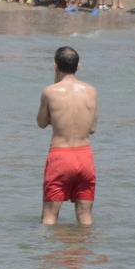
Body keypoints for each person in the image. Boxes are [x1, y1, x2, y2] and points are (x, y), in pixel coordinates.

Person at [37, 46, 98, 226]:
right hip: (85, 156)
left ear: (55, 66)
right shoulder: (91, 91)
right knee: (85, 216)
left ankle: (47, 252)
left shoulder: (50, 91)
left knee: (49, 217)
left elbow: (41, 123)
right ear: (78, 66)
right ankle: (84, 252)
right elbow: (92, 128)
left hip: (60, 156)